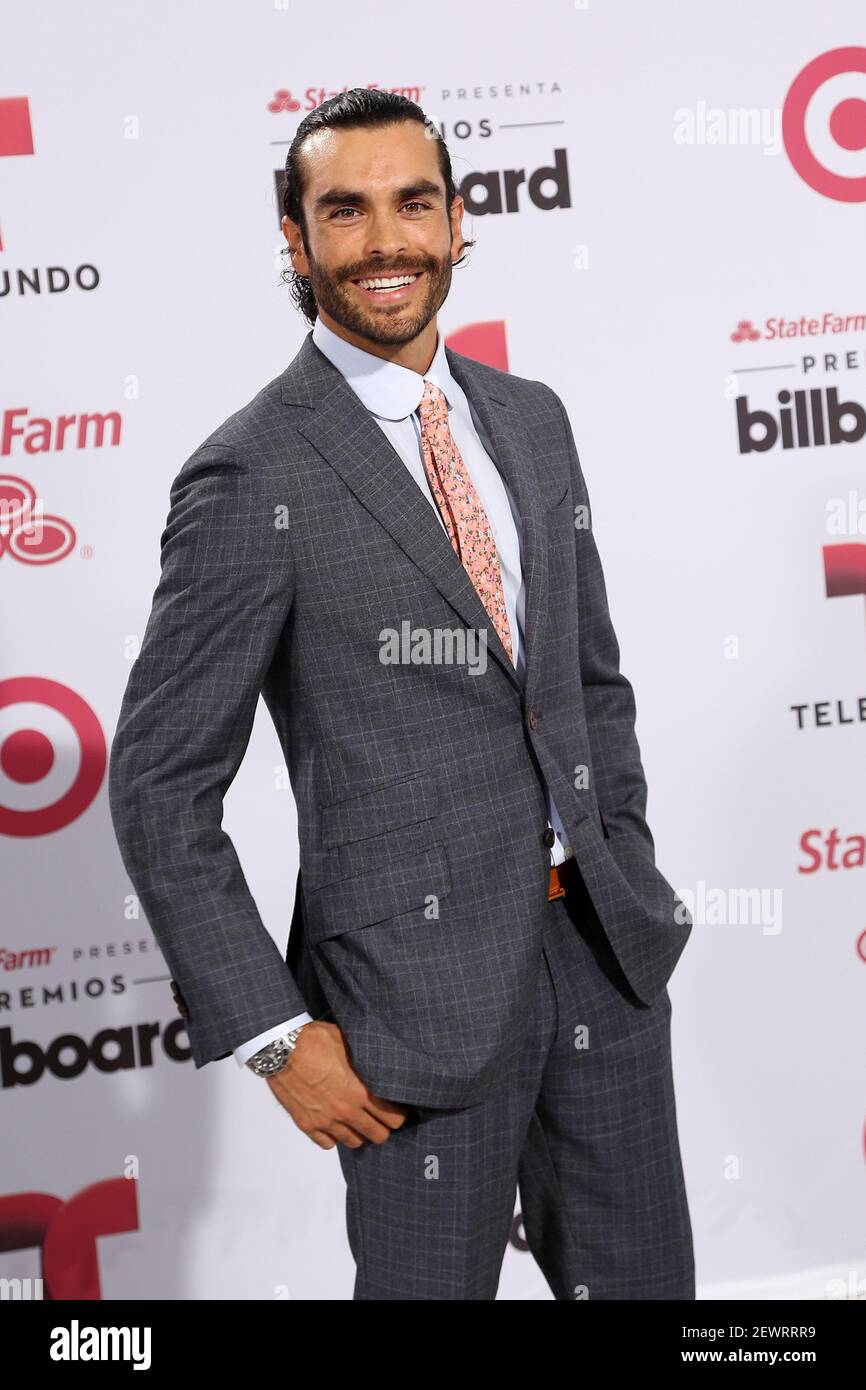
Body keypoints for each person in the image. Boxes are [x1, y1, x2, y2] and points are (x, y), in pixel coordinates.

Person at [108, 87, 695, 1301]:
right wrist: (276, 1038)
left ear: (457, 218)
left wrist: (623, 862)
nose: (386, 240)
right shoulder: (248, 470)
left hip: (601, 957)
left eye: (411, 203)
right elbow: (160, 786)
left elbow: (587, 683)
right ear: (295, 237)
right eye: (346, 210)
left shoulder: (530, 422)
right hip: (404, 1014)